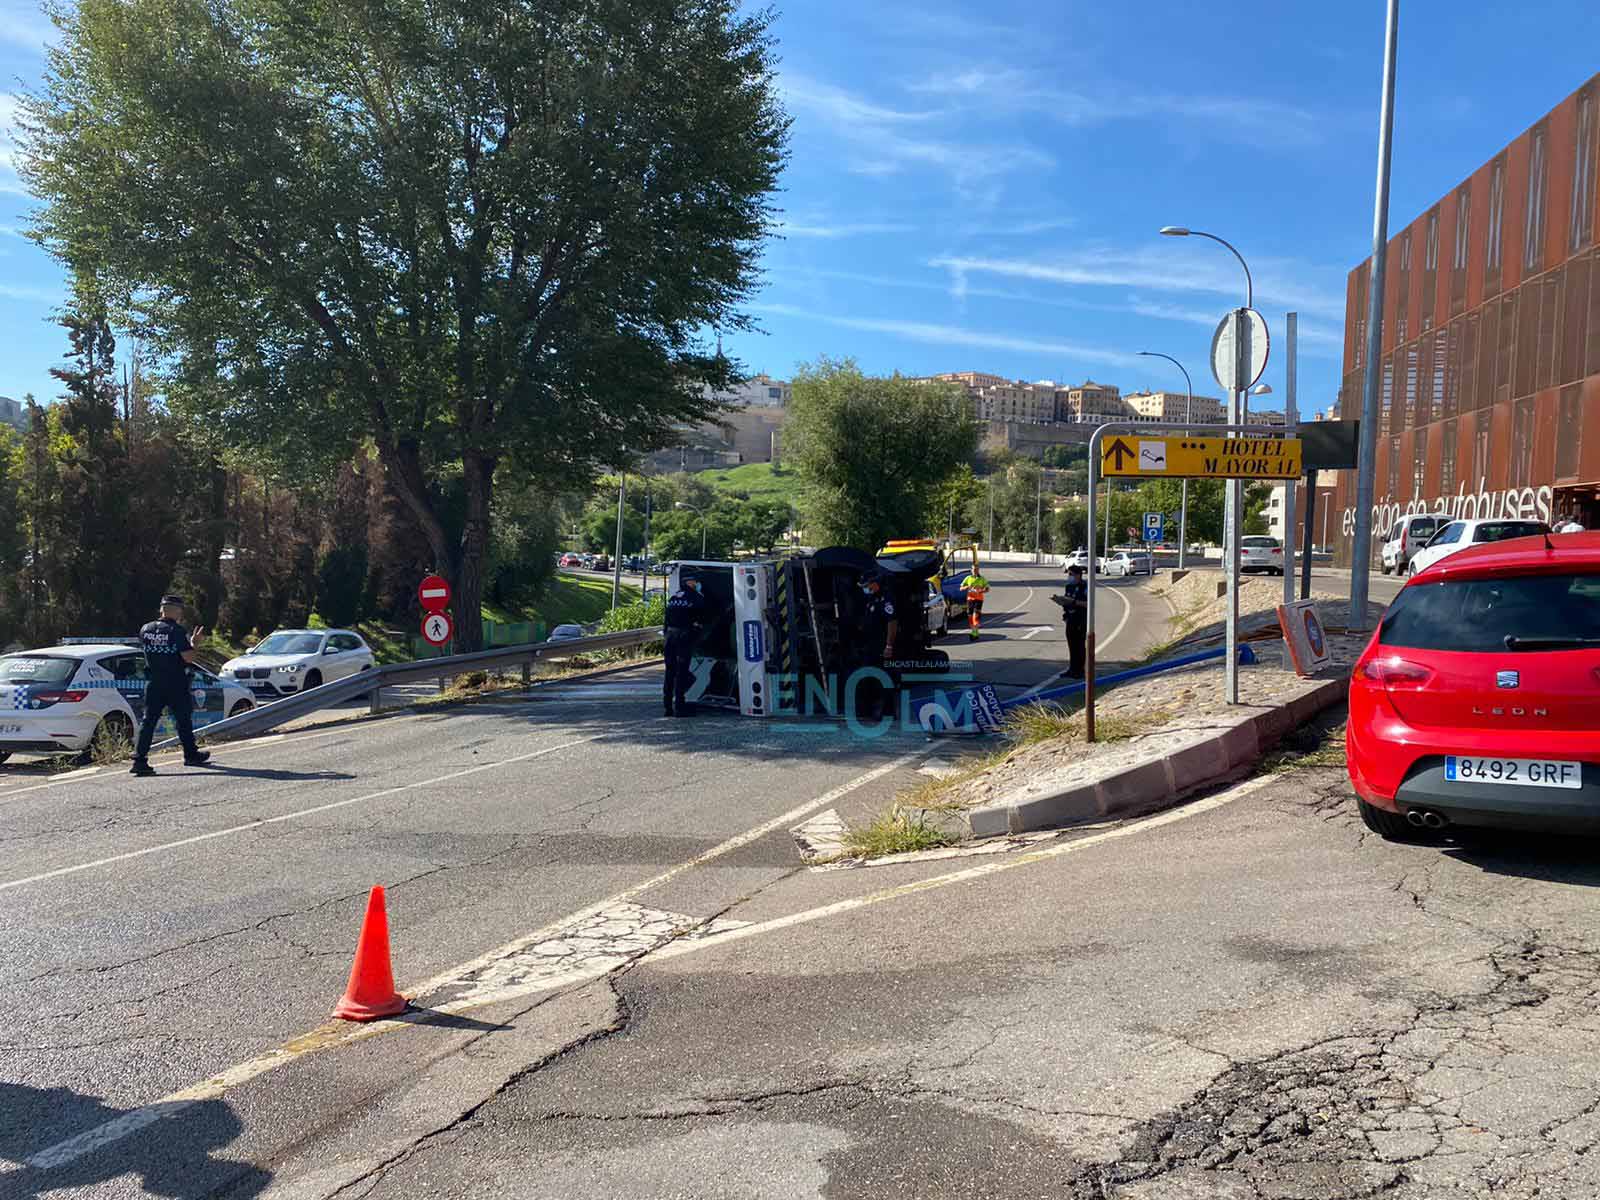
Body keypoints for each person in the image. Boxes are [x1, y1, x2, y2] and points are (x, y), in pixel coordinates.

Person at [130, 595, 211, 776]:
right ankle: (190, 754)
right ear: (175, 610)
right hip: (175, 681)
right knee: (183, 719)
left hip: (154, 682)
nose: (181, 613)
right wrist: (194, 644)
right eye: (180, 609)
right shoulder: (176, 631)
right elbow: (188, 657)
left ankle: (139, 760)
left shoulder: (146, 629)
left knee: (149, 720)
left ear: (162, 609)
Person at [854, 572, 899, 721]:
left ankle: (887, 712)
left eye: (866, 586)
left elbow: (891, 623)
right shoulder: (871, 599)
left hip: (881, 646)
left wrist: (889, 646)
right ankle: (868, 709)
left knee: (884, 679)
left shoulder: (886, 600)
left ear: (874, 583)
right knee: (868, 677)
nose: (865, 589)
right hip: (870, 645)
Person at [663, 570, 708, 717]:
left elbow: (666, 621)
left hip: (669, 637)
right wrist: (696, 638)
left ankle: (668, 707)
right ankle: (680, 708)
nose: (696, 584)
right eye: (695, 581)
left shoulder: (674, 597)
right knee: (682, 672)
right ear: (690, 582)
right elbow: (701, 622)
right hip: (683, 637)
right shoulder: (696, 598)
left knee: (670, 672)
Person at [1058, 564, 1088, 679]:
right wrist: (1062, 603)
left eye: (1071, 574)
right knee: (1072, 646)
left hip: (1080, 619)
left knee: (1079, 646)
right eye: (1068, 574)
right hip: (1070, 619)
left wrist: (1074, 602)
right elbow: (1066, 601)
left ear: (1078, 575)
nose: (1069, 576)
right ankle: (1072, 669)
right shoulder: (1069, 586)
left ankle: (1080, 671)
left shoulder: (1085, 587)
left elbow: (1088, 604)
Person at [959, 565, 990, 642]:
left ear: (978, 570)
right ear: (971, 570)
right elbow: (961, 588)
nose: (974, 571)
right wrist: (966, 587)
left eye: (976, 569)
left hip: (979, 599)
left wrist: (981, 591)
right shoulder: (968, 578)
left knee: (975, 616)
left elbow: (987, 589)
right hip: (970, 599)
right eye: (973, 569)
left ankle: (974, 633)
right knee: (970, 616)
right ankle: (975, 632)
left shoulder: (982, 579)